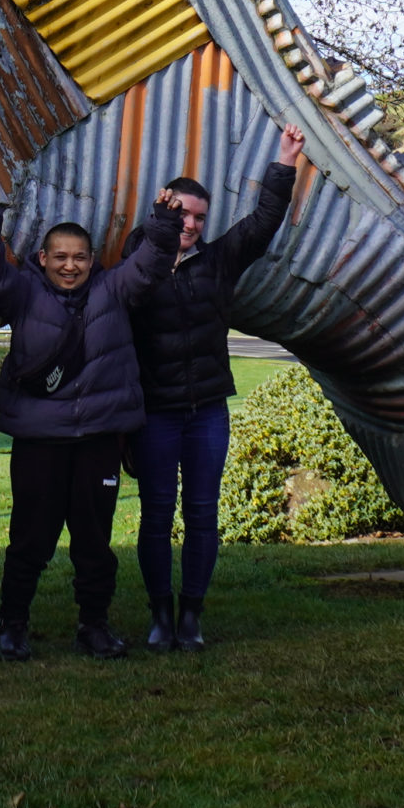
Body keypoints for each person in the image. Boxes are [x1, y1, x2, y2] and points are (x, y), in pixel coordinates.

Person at [0, 181, 183, 661]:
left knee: (94, 541)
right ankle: (13, 624)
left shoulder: (113, 289)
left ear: (92, 261)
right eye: (60, 257)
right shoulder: (22, 291)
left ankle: (94, 625)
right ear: (42, 259)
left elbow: (149, 266)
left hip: (98, 439)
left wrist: (166, 221)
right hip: (39, 441)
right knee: (29, 537)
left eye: (80, 257)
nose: (70, 265)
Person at [121, 125, 305, 652]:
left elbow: (264, 220)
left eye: (200, 217)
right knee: (156, 514)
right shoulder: (138, 266)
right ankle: (159, 615)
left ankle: (191, 617)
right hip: (155, 413)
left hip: (206, 412)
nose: (192, 225)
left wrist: (285, 160)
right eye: (181, 214)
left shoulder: (219, 261)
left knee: (202, 512)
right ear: (163, 212)